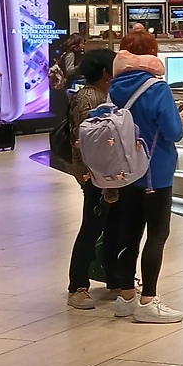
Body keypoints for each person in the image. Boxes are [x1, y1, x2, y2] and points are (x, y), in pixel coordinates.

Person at [105, 31, 183, 322]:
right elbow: (173, 132)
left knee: (130, 233)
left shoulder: (115, 87)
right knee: (157, 234)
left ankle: (126, 295)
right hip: (155, 172)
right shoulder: (157, 88)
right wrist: (179, 119)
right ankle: (148, 299)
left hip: (125, 171)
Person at [64, 49, 116, 310]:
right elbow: (85, 139)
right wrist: (89, 172)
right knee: (92, 227)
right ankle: (78, 285)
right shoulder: (88, 98)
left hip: (104, 172)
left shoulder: (100, 95)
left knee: (108, 226)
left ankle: (113, 277)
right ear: (106, 72)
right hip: (94, 174)